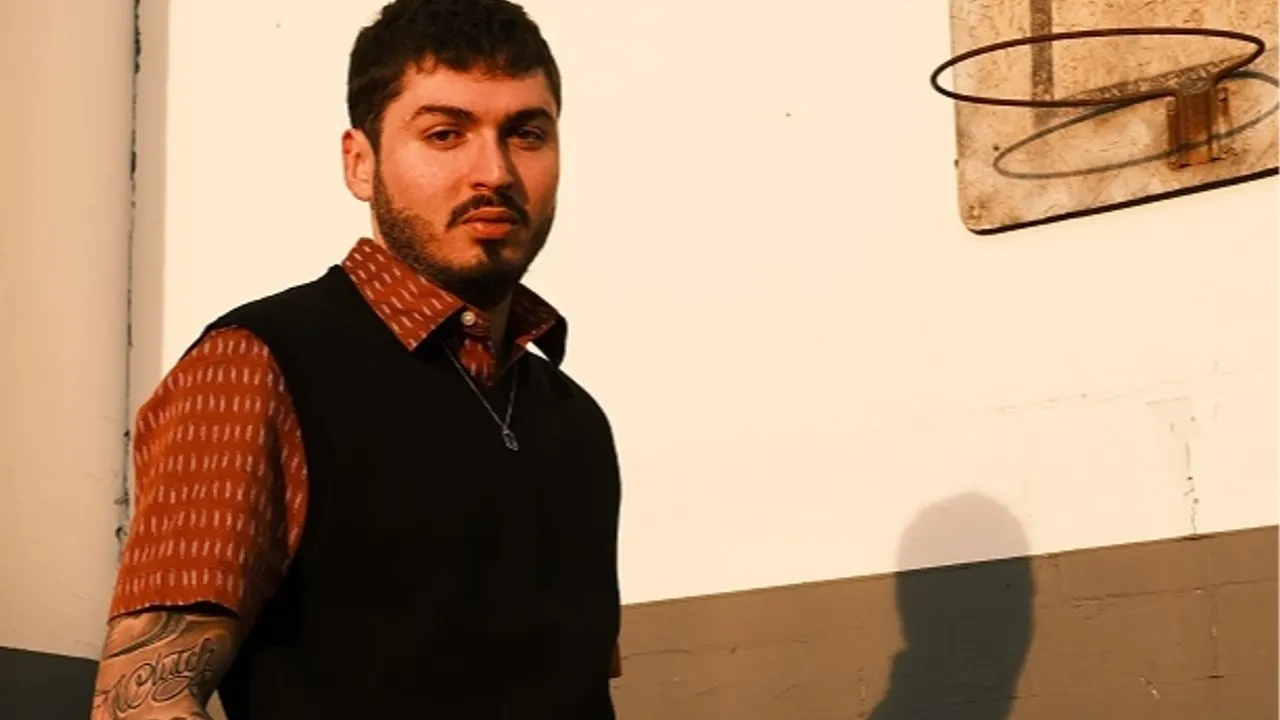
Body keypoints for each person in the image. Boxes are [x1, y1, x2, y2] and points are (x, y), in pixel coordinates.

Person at [89, 1, 623, 717]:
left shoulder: (576, 423)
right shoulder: (255, 367)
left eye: (526, 133)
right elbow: (140, 705)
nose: (493, 171)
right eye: (445, 133)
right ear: (360, 162)